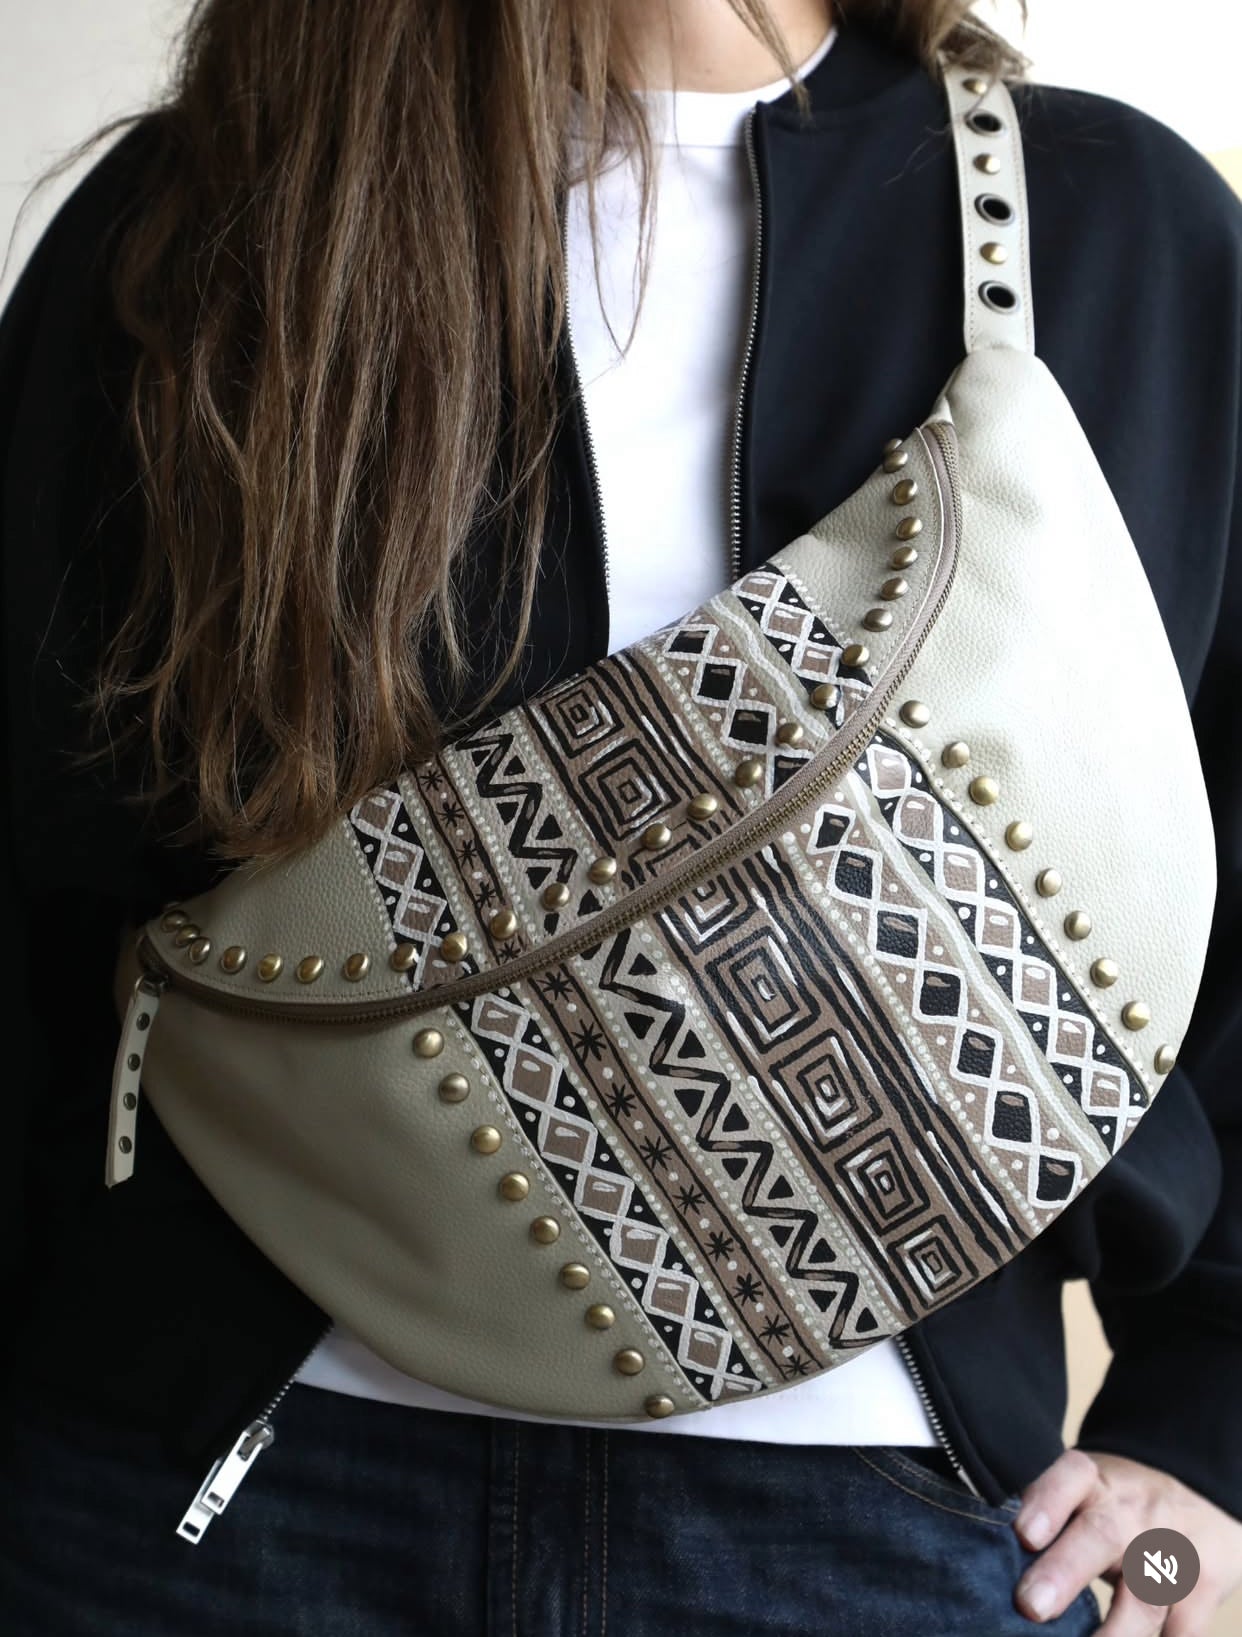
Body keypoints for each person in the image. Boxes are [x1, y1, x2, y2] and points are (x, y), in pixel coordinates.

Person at [1, 1, 1241, 1632]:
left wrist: (1207, 1437)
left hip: (869, 1527)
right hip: (211, 1501)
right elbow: (39, 872)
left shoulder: (1111, 224)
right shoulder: (208, 216)